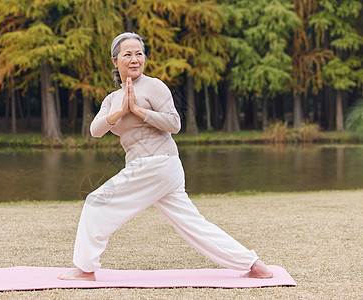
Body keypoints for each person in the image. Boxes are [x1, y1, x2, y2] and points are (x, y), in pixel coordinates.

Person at [58, 32, 273, 281]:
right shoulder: (111, 100)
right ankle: (255, 265)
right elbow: (95, 131)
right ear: (115, 61)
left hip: (157, 163)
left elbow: (174, 123)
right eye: (128, 54)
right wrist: (121, 110)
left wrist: (139, 111)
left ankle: (85, 270)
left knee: (96, 203)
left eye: (139, 53)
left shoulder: (154, 86)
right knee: (193, 225)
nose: (135, 59)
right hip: (154, 168)